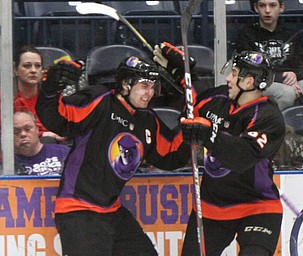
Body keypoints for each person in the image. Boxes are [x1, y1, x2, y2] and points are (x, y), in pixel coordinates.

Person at [35, 56, 190, 256]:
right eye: (144, 86)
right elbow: (58, 118)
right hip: (79, 210)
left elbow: (171, 155)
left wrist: (190, 113)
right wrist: (50, 88)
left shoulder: (146, 120)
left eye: (153, 87)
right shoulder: (100, 100)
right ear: (125, 84)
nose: (149, 93)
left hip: (111, 211)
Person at [154, 43, 286, 255]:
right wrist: (183, 74)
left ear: (249, 81)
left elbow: (241, 157)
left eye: (234, 74)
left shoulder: (269, 117)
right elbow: (195, 103)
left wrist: (208, 134)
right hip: (211, 208)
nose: (228, 79)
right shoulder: (218, 99)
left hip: (257, 207)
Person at [235, 0, 303, 110]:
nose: (267, 11)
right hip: (260, 82)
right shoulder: (246, 35)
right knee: (286, 93)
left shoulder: (291, 33)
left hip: (292, 80)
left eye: (272, 5)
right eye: (262, 6)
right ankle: (278, 126)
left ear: (281, 8)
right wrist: (282, 78)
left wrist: (294, 76)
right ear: (256, 8)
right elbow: (250, 69)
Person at [13, 45, 66, 143]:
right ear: (15, 70)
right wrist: (41, 134)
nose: (33, 70)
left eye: (38, 66)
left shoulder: (52, 97)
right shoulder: (5, 99)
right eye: (27, 66)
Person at [14, 110, 70, 176]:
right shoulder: (7, 164)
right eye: (16, 131)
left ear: (37, 129)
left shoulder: (64, 153)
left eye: (28, 129)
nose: (23, 134)